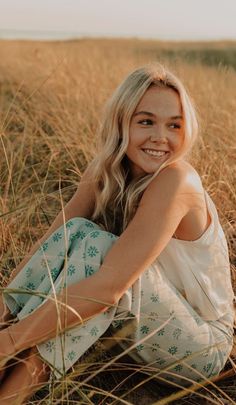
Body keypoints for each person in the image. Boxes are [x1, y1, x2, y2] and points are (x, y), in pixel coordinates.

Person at [0, 62, 235, 403]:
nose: (160, 137)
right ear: (121, 122)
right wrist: (5, 311)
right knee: (78, 234)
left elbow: (110, 290)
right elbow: (50, 246)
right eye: (146, 121)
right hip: (141, 323)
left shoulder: (177, 180)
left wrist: (9, 342)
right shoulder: (106, 172)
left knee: (100, 261)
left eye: (174, 125)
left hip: (199, 348)